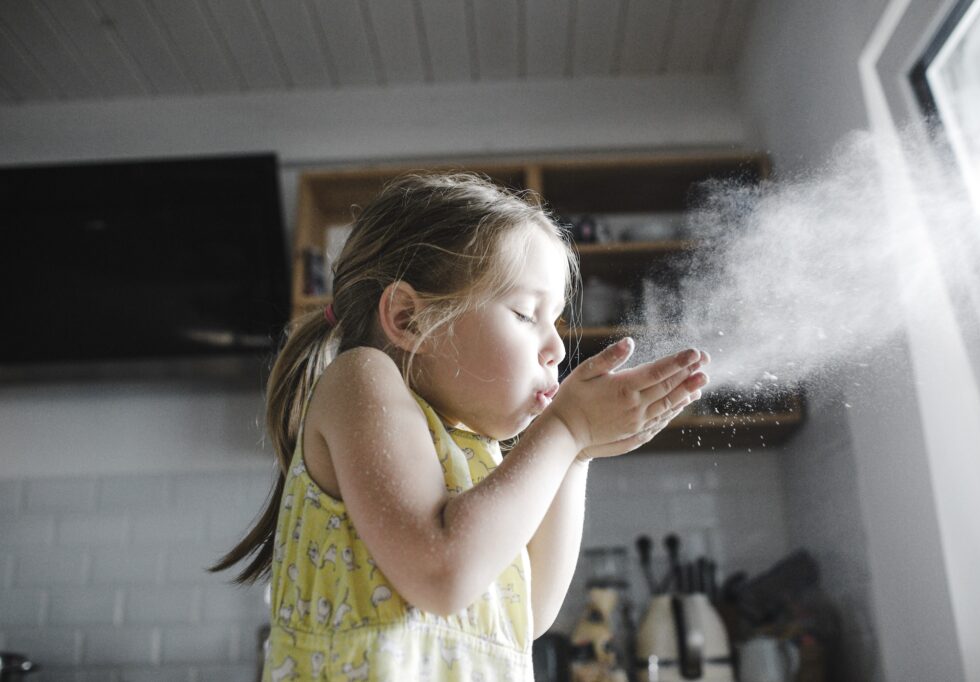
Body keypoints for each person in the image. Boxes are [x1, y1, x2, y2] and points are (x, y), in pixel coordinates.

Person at [211, 171, 709, 681]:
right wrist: (566, 429)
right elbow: (444, 574)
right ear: (409, 319)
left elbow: (531, 613)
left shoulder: (476, 453)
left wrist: (578, 453)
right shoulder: (360, 380)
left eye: (556, 321)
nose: (557, 349)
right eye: (524, 313)